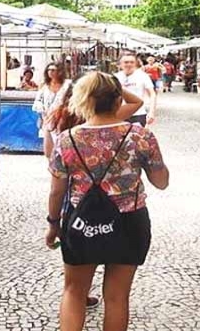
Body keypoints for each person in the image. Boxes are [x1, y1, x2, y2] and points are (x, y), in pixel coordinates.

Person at [45, 72, 169, 331]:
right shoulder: (139, 136)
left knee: (74, 291)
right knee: (116, 297)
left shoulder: (68, 139)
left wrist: (53, 223)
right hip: (129, 221)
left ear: (84, 100)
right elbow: (162, 181)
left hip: (81, 222)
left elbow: (57, 191)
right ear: (117, 100)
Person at [33, 62, 71, 158]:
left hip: (62, 118)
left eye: (53, 70)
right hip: (47, 118)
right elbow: (38, 100)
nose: (50, 72)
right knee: (48, 147)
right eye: (49, 70)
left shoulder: (67, 85)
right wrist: (41, 110)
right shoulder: (44, 85)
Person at [115, 53, 157, 127]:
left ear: (135, 64)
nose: (129, 64)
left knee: (137, 137)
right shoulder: (116, 77)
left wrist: (151, 112)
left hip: (138, 113)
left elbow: (152, 94)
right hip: (119, 114)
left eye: (132, 62)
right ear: (120, 64)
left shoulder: (143, 76)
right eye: (126, 62)